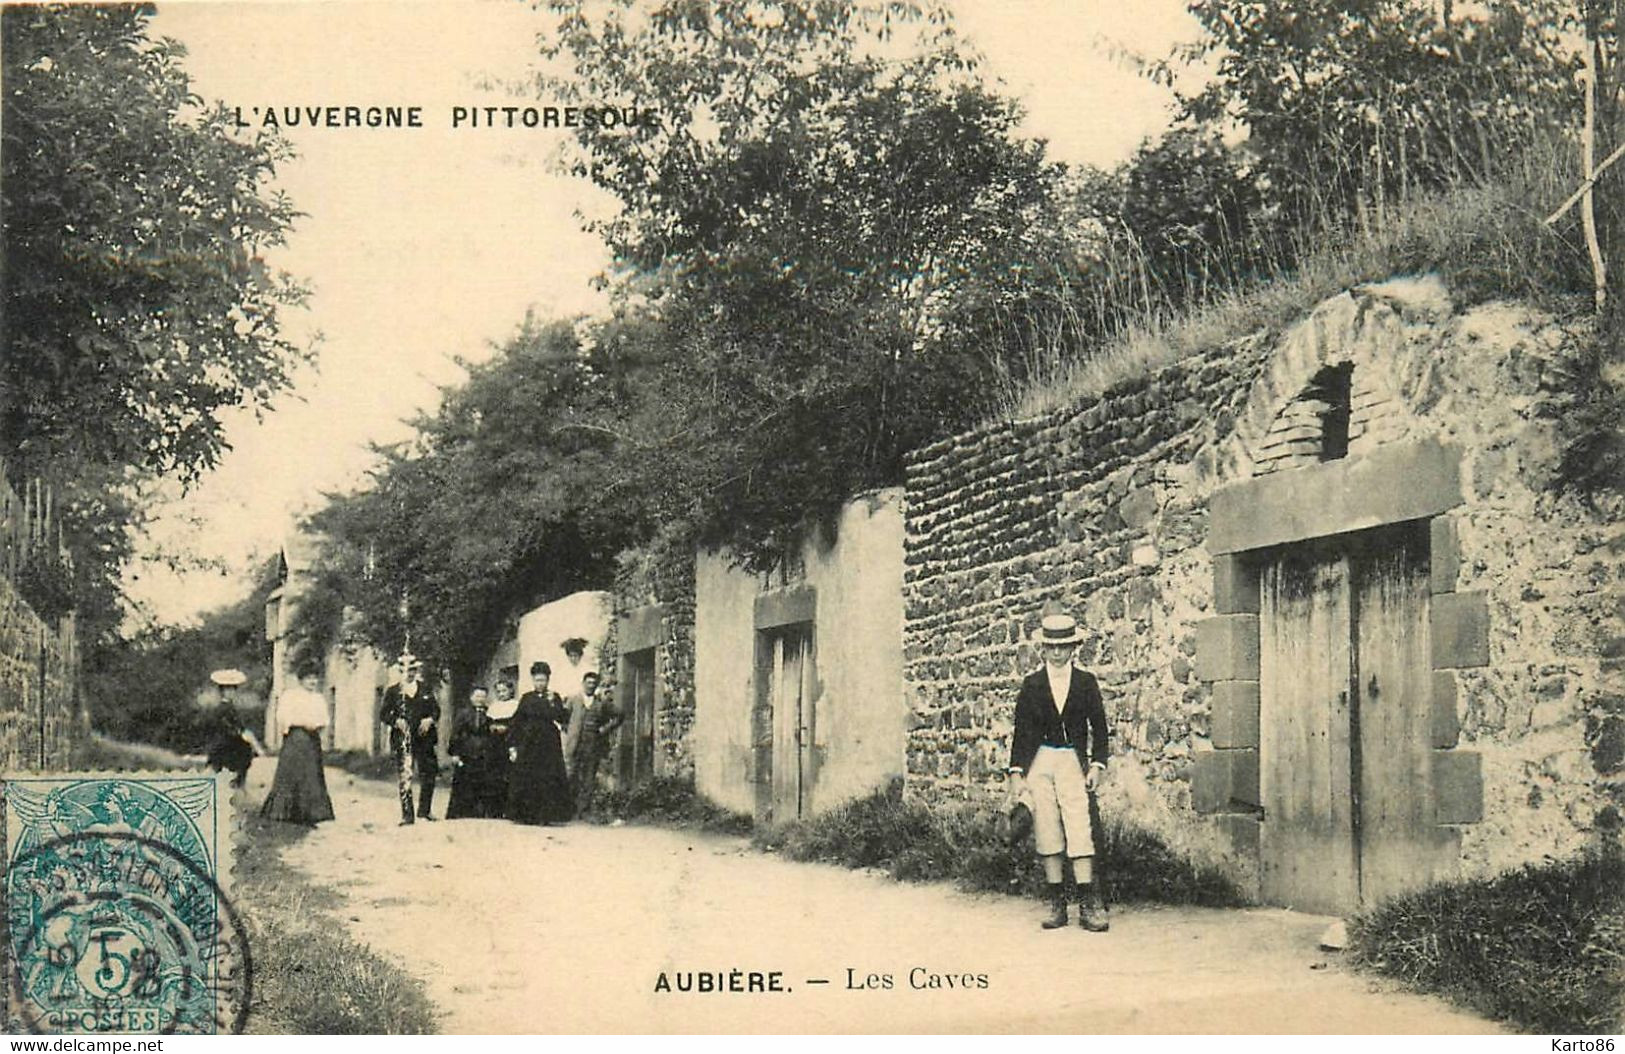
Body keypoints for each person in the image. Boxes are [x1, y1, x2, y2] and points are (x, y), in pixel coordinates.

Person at [1007, 612, 1110, 932]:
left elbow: (1100, 729)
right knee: (1047, 826)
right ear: (1044, 649)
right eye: (1051, 646)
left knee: (1079, 825)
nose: (1057, 652)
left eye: (1064, 646)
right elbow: (1021, 732)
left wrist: (1097, 765)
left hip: (1071, 761)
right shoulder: (1032, 684)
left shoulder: (1085, 682)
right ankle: (1056, 902)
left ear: (1073, 647)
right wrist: (1016, 772)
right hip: (1041, 762)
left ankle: (1089, 902)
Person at [261, 669, 336, 825]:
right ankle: (285, 811)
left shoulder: (318, 698)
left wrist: (317, 726)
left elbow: (324, 719)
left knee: (311, 772)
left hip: (312, 738)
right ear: (301, 680)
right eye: (309, 678)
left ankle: (312, 812)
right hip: (296, 737)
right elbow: (283, 716)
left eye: (315, 679)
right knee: (292, 772)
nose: (312, 682)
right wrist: (301, 723)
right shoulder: (291, 696)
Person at [506, 660, 573, 825]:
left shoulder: (554, 697)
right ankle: (526, 815)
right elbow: (517, 721)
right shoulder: (527, 698)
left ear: (548, 680)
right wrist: (513, 746)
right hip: (529, 742)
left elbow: (563, 718)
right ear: (533, 680)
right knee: (528, 777)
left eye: (543, 680)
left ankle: (546, 816)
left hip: (548, 743)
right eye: (537, 680)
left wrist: (553, 703)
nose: (540, 683)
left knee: (548, 778)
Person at [380, 654, 440, 825]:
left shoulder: (425, 688)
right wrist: (395, 720)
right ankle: (407, 815)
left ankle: (425, 811)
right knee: (406, 775)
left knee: (429, 773)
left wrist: (429, 719)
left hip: (425, 738)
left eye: (413, 670)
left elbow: (436, 710)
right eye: (406, 670)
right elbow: (383, 714)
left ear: (416, 671)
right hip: (403, 738)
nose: (410, 673)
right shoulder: (393, 691)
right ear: (400, 671)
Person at [563, 671, 623, 814]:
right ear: (583, 683)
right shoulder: (573, 700)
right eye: (588, 683)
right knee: (571, 774)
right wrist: (570, 731)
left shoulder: (601, 703)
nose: (590, 686)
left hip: (592, 745)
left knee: (589, 777)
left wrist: (604, 729)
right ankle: (568, 808)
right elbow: (563, 718)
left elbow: (619, 715)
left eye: (593, 683)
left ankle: (583, 810)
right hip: (575, 744)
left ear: (596, 686)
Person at [446, 685, 505, 819]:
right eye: (477, 696)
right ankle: (461, 813)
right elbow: (455, 734)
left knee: (484, 784)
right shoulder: (463, 713)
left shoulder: (491, 713)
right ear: (471, 697)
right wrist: (455, 753)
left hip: (485, 753)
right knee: (464, 783)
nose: (480, 699)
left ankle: (482, 813)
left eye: (483, 696)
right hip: (467, 753)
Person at [205, 701, 264, 788]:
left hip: (228, 744)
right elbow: (227, 728)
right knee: (244, 753)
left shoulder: (229, 709)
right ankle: (237, 784)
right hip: (225, 745)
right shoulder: (221, 711)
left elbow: (239, 727)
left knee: (245, 752)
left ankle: (237, 783)